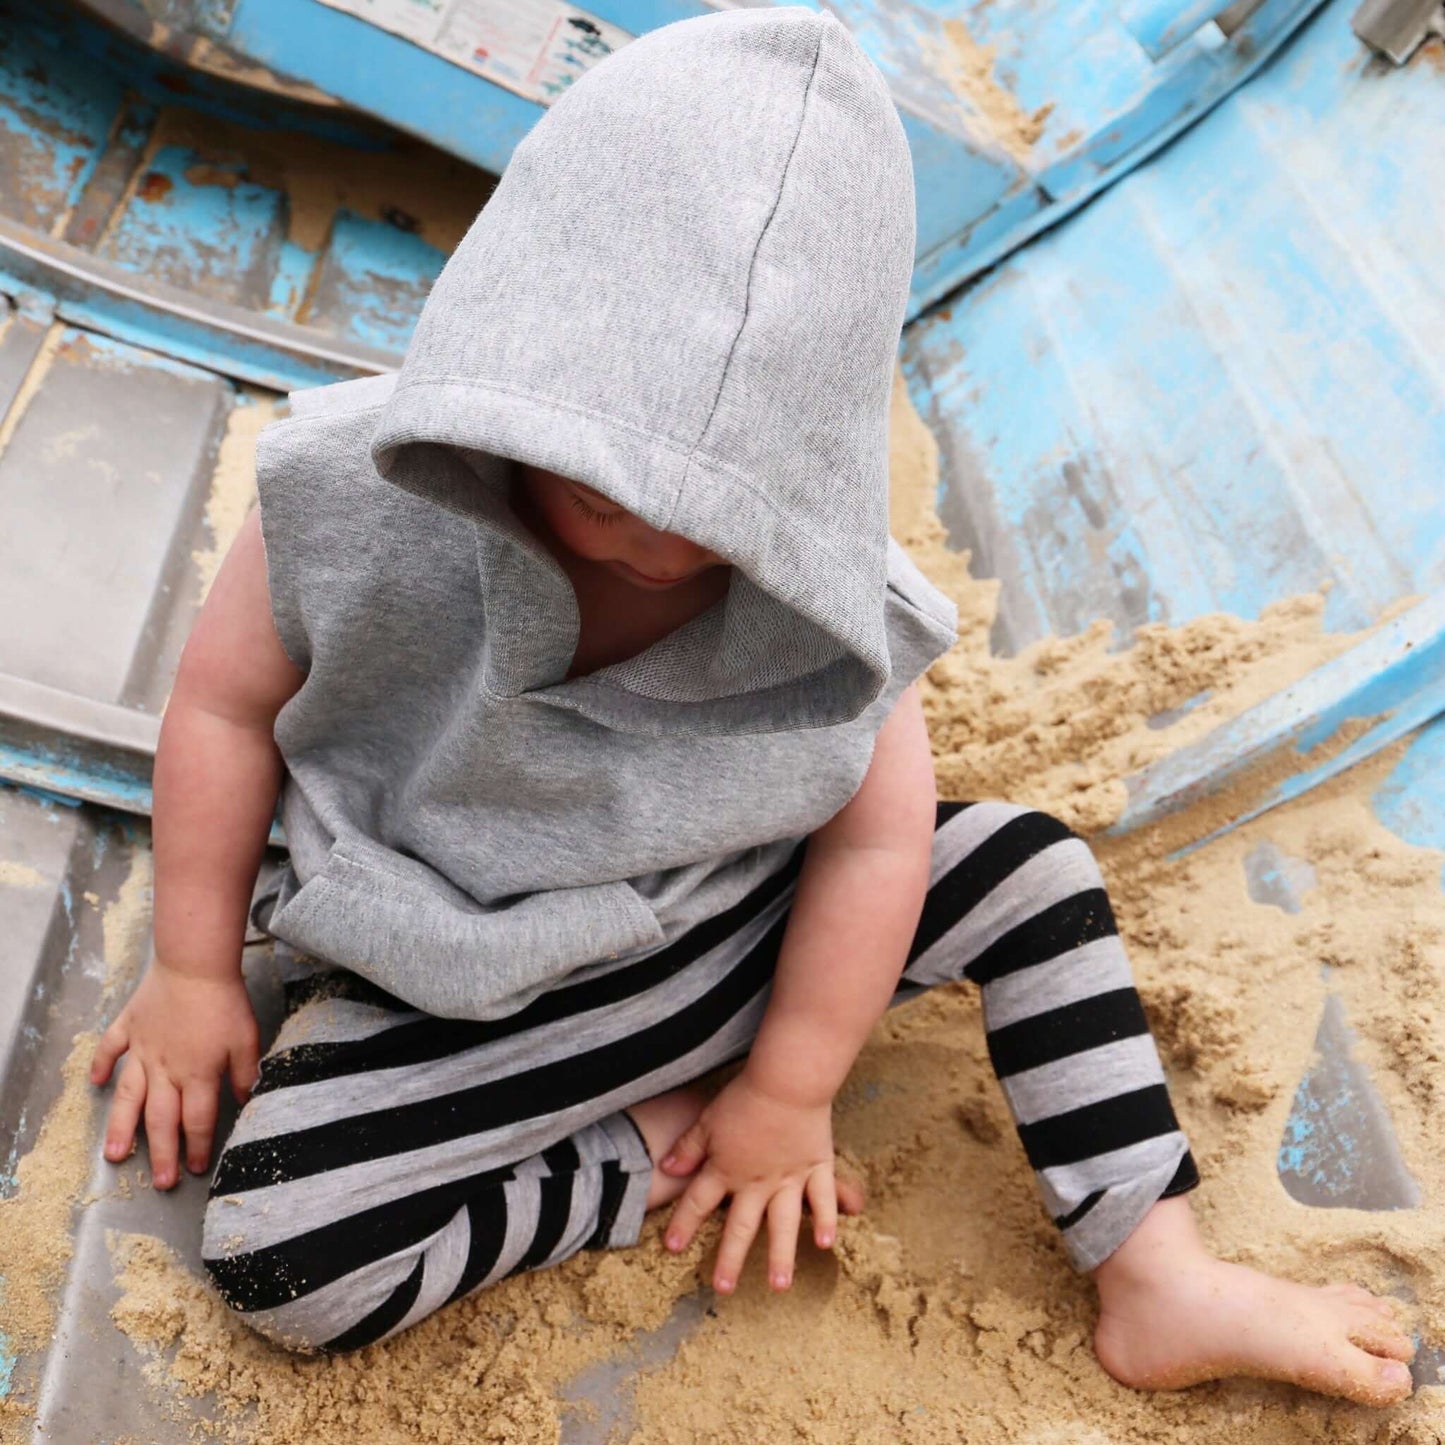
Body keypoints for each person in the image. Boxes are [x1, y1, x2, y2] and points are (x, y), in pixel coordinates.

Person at [90, 4, 1414, 1403]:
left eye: (723, 521)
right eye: (598, 492)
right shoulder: (351, 491)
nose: (654, 549)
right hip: (449, 952)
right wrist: (190, 968)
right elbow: (225, 709)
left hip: (718, 923)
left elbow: (872, 843)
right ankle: (632, 1152)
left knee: (1026, 864)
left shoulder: (836, 594)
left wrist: (788, 1088)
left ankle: (1156, 1274)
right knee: (282, 1251)